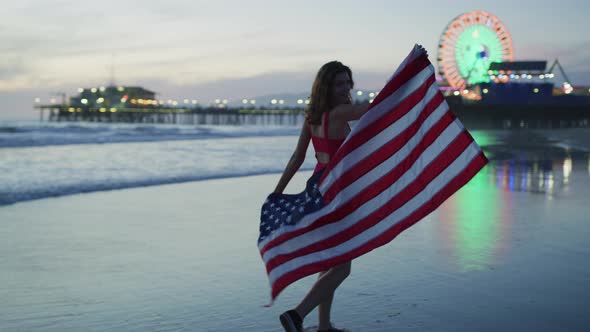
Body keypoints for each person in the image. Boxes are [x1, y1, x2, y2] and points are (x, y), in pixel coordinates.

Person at [272, 61, 369, 332]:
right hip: (337, 191)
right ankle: (297, 315)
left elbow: (297, 157)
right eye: (340, 83)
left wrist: (278, 192)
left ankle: (324, 326)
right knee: (342, 267)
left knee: (329, 262)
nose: (346, 87)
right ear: (327, 85)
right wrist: (407, 82)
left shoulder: (312, 116)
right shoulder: (341, 113)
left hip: (317, 188)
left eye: (348, 82)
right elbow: (377, 109)